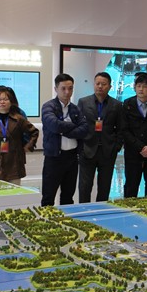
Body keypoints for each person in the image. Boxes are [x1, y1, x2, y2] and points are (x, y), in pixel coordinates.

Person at [41, 74, 88, 206]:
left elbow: (84, 129)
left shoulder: (75, 108)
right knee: (48, 197)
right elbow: (54, 125)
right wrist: (73, 126)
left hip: (72, 157)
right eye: (63, 88)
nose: (67, 92)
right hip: (54, 157)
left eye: (70, 88)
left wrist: (63, 130)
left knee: (68, 197)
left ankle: (66, 218)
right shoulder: (48, 106)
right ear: (56, 89)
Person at [77, 72, 123, 203]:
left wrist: (116, 147)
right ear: (94, 84)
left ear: (110, 86)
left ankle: (101, 209)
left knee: (104, 187)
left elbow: (121, 128)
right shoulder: (83, 102)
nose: (100, 86)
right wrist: (80, 148)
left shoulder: (116, 105)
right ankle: (84, 210)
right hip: (87, 150)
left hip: (107, 151)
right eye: (97, 83)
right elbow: (78, 125)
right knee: (84, 187)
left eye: (104, 84)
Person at [0, 87, 38, 184]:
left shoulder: (19, 119)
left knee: (14, 190)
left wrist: (27, 147)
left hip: (14, 162)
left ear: (11, 102)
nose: (2, 102)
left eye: (5, 99)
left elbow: (34, 132)